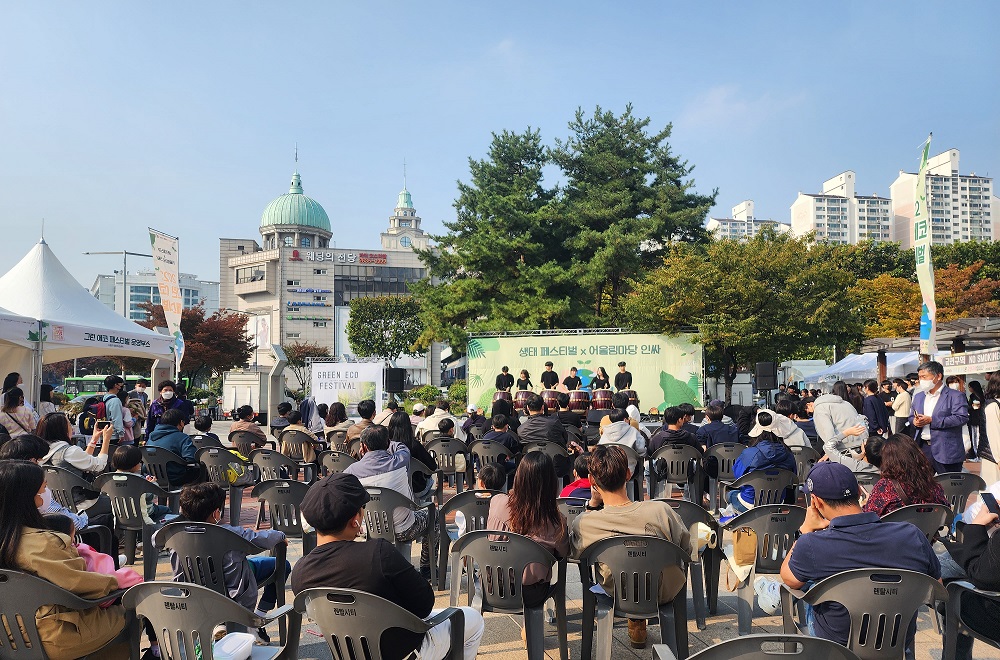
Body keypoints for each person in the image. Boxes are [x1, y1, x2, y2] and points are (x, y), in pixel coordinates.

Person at [291, 472, 484, 660]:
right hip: (406, 652)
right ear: (355, 520)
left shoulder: (300, 572)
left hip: (349, 651)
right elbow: (425, 605)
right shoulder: (379, 553)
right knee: (474, 620)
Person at [769, 462, 940, 649]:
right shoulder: (912, 534)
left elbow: (788, 578)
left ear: (816, 502)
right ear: (860, 492)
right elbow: (936, 586)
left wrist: (805, 530)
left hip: (839, 643)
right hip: (897, 638)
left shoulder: (811, 544)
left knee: (812, 585)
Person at [0, 461, 130, 659]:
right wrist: (117, 581)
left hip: (6, 634)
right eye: (43, 487)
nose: (48, 491)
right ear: (27, 496)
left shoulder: (10, 539)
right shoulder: (42, 542)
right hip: (53, 634)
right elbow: (79, 583)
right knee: (133, 611)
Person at [570, 444, 692, 649]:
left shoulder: (585, 523)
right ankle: (640, 625)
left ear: (592, 481)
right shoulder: (661, 510)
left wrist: (592, 504)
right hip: (662, 592)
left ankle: (635, 623)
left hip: (614, 591)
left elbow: (575, 554)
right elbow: (686, 548)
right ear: (628, 474)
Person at [168, 482, 289, 644]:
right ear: (216, 513)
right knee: (282, 565)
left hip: (197, 590)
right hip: (233, 591)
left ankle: (221, 624)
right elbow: (262, 539)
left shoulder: (175, 536)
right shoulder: (230, 534)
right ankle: (257, 618)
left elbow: (155, 539)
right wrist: (280, 535)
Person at [344, 425, 436, 579]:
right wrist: (387, 443)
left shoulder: (351, 471)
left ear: (363, 446)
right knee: (436, 516)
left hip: (369, 529)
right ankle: (427, 567)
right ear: (387, 444)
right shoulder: (400, 460)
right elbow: (401, 446)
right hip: (405, 529)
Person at [487, 452, 569, 608]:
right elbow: (563, 554)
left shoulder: (497, 502)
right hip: (531, 594)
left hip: (493, 586)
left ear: (518, 477)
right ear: (551, 482)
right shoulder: (557, 520)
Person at [1, 435, 92, 534]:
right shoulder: (33, 491)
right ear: (31, 461)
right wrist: (83, 517)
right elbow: (72, 523)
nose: (41, 465)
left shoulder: (7, 488)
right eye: (39, 460)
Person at [721, 411, 796, 516]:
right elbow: (793, 478)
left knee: (730, 495)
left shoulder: (749, 453)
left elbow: (737, 476)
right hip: (778, 503)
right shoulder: (788, 454)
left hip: (749, 503)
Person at [860, 433, 948, 516]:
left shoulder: (885, 487)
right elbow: (945, 511)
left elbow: (869, 518)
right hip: (926, 531)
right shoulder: (931, 485)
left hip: (894, 532)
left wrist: (865, 504)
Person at [909, 361, 970, 474]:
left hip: (947, 449)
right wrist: (914, 421)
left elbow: (961, 417)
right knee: (923, 487)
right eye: (919, 377)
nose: (921, 380)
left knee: (949, 487)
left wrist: (932, 420)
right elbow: (911, 416)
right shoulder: (918, 397)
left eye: (924, 377)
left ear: (938, 376)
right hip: (923, 448)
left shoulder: (955, 396)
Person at [111, 445, 172, 523]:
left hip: (120, 517)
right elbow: (151, 497)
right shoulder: (139, 480)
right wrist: (152, 484)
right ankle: (158, 530)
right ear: (134, 464)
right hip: (145, 515)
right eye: (139, 462)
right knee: (166, 509)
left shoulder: (110, 478)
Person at [388, 410, 438, 501]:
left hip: (392, 489)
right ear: (408, 426)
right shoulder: (414, 445)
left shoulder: (386, 446)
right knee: (431, 478)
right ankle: (427, 509)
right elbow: (432, 466)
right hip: (416, 489)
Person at [814, 380, 869, 461]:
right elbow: (860, 424)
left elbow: (828, 432)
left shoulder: (820, 408)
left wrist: (829, 452)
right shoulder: (847, 404)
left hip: (843, 451)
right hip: (861, 447)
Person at [145, 408, 201, 486]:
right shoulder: (182, 438)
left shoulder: (151, 437)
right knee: (201, 471)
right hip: (176, 477)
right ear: (181, 422)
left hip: (152, 476)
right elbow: (191, 458)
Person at [455, 463, 505, 536]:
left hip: (469, 545)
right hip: (498, 546)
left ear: (480, 482)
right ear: (503, 483)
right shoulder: (507, 503)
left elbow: (460, 526)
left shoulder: (466, 502)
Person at [980, 371, 1000, 485]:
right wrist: (998, 458)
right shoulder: (993, 406)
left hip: (995, 456)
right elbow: (994, 434)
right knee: (992, 490)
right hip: (992, 456)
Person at [101, 376, 126, 445]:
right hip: (113, 435)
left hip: (105, 433)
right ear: (116, 385)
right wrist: (121, 433)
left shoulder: (104, 398)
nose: (122, 386)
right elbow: (116, 418)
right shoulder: (115, 401)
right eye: (121, 384)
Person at [967, 379, 986, 460]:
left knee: (976, 437)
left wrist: (970, 407)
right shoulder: (982, 396)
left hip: (975, 419)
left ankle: (978, 455)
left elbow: (974, 407)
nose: (969, 389)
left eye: (969, 387)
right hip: (979, 419)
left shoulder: (975, 396)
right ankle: (978, 455)